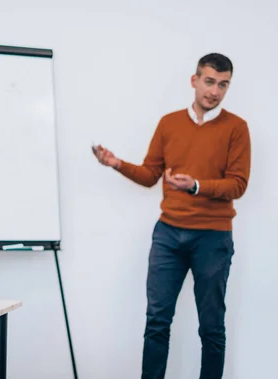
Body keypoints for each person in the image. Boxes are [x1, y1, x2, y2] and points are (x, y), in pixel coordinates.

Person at [93, 53, 251, 379]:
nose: (215, 91)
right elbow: (151, 174)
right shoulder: (169, 123)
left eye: (223, 85)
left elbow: (238, 184)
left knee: (211, 326)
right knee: (156, 321)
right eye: (209, 82)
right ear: (194, 81)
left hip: (212, 237)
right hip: (168, 234)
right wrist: (117, 164)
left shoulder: (237, 128)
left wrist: (195, 185)